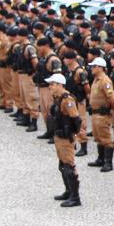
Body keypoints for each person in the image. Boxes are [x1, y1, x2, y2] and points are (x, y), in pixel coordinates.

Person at [47, 73, 83, 208]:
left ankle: (75, 197)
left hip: (65, 137)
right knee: (62, 166)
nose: (50, 87)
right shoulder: (58, 98)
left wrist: (73, 135)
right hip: (59, 135)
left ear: (60, 85)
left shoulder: (67, 100)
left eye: (52, 84)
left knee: (69, 166)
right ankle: (68, 191)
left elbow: (76, 119)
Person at [86, 57, 114, 173]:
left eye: (94, 66)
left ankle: (108, 162)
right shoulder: (96, 79)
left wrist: (109, 109)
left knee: (105, 138)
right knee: (98, 137)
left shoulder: (105, 81)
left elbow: (112, 98)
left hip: (102, 113)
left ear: (100, 67)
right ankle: (101, 159)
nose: (91, 69)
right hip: (95, 113)